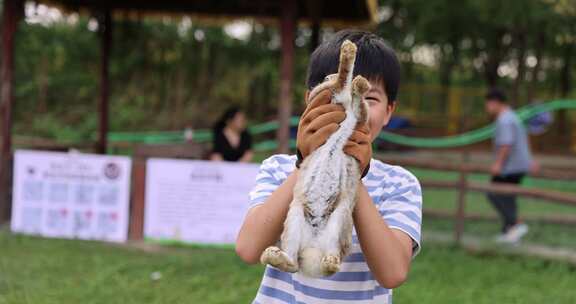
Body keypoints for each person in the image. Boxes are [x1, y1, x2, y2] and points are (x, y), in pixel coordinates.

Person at [236, 30, 422, 303]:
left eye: (369, 99)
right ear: (310, 100)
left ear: (390, 111)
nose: (352, 110)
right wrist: (307, 161)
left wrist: (352, 174)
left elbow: (392, 273)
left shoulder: (399, 183)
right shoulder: (278, 168)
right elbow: (249, 249)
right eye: (336, 98)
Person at [485, 88, 533, 244]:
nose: (487, 107)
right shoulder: (513, 116)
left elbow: (506, 144)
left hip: (510, 166)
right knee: (508, 197)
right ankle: (509, 233)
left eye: (488, 104)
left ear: (496, 102)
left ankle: (516, 224)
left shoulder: (504, 119)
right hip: (519, 164)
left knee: (493, 193)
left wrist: (498, 164)